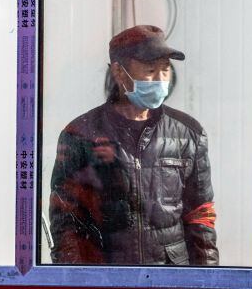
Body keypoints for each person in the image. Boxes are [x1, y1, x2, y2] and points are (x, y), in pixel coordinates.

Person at [49, 25, 219, 266]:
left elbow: (201, 216)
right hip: (109, 277)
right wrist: (77, 283)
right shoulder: (81, 134)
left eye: (165, 70)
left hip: (170, 278)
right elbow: (66, 219)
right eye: (150, 70)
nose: (161, 80)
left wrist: (207, 283)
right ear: (119, 72)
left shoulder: (189, 132)